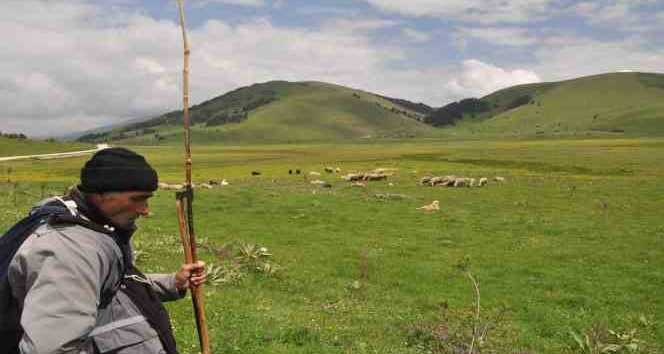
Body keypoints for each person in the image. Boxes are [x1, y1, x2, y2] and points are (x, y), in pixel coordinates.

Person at [6, 147, 206, 353]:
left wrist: (172, 283)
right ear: (101, 193)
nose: (145, 210)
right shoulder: (71, 252)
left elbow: (111, 287)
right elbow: (51, 348)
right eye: (137, 198)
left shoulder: (98, 226)